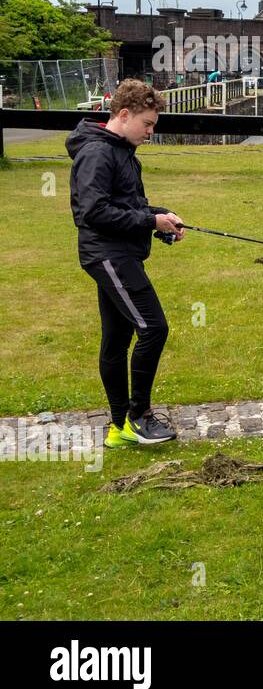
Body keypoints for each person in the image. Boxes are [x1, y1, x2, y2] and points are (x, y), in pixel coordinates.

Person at [66, 80, 184, 446]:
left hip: (121, 254)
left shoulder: (121, 152)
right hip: (108, 256)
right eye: (147, 124)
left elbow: (127, 207)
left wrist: (160, 216)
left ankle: (118, 429)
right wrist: (150, 221)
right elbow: (94, 212)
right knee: (153, 328)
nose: (151, 132)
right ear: (123, 114)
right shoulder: (98, 154)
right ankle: (138, 416)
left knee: (117, 340)